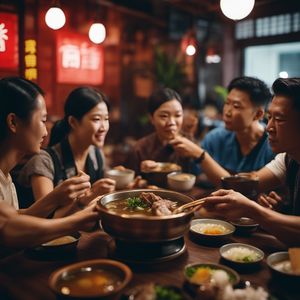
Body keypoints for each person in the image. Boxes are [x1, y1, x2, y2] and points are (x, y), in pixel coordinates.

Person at [0, 77, 101, 254]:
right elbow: (9, 227)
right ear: (13, 123)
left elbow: (15, 219)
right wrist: (81, 219)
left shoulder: (5, 177)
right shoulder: (46, 160)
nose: (46, 130)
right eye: (42, 120)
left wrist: (56, 196)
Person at [200, 77, 300, 246]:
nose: (269, 127)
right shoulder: (287, 158)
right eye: (270, 118)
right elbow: (245, 185)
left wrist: (254, 210)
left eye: (280, 119)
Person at [16, 87, 116, 215]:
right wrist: (88, 197)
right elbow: (47, 218)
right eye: (96, 119)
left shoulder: (96, 155)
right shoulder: (43, 161)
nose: (103, 127)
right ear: (73, 122)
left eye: (106, 119)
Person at [169, 76, 275, 186]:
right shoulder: (215, 138)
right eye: (227, 103)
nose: (227, 112)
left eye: (236, 106)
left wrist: (200, 155)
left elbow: (244, 188)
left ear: (258, 114)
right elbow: (193, 176)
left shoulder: (273, 145)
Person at [125, 87, 198, 175]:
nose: (171, 122)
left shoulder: (191, 144)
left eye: (177, 115)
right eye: (164, 116)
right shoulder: (140, 150)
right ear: (151, 118)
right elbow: (129, 184)